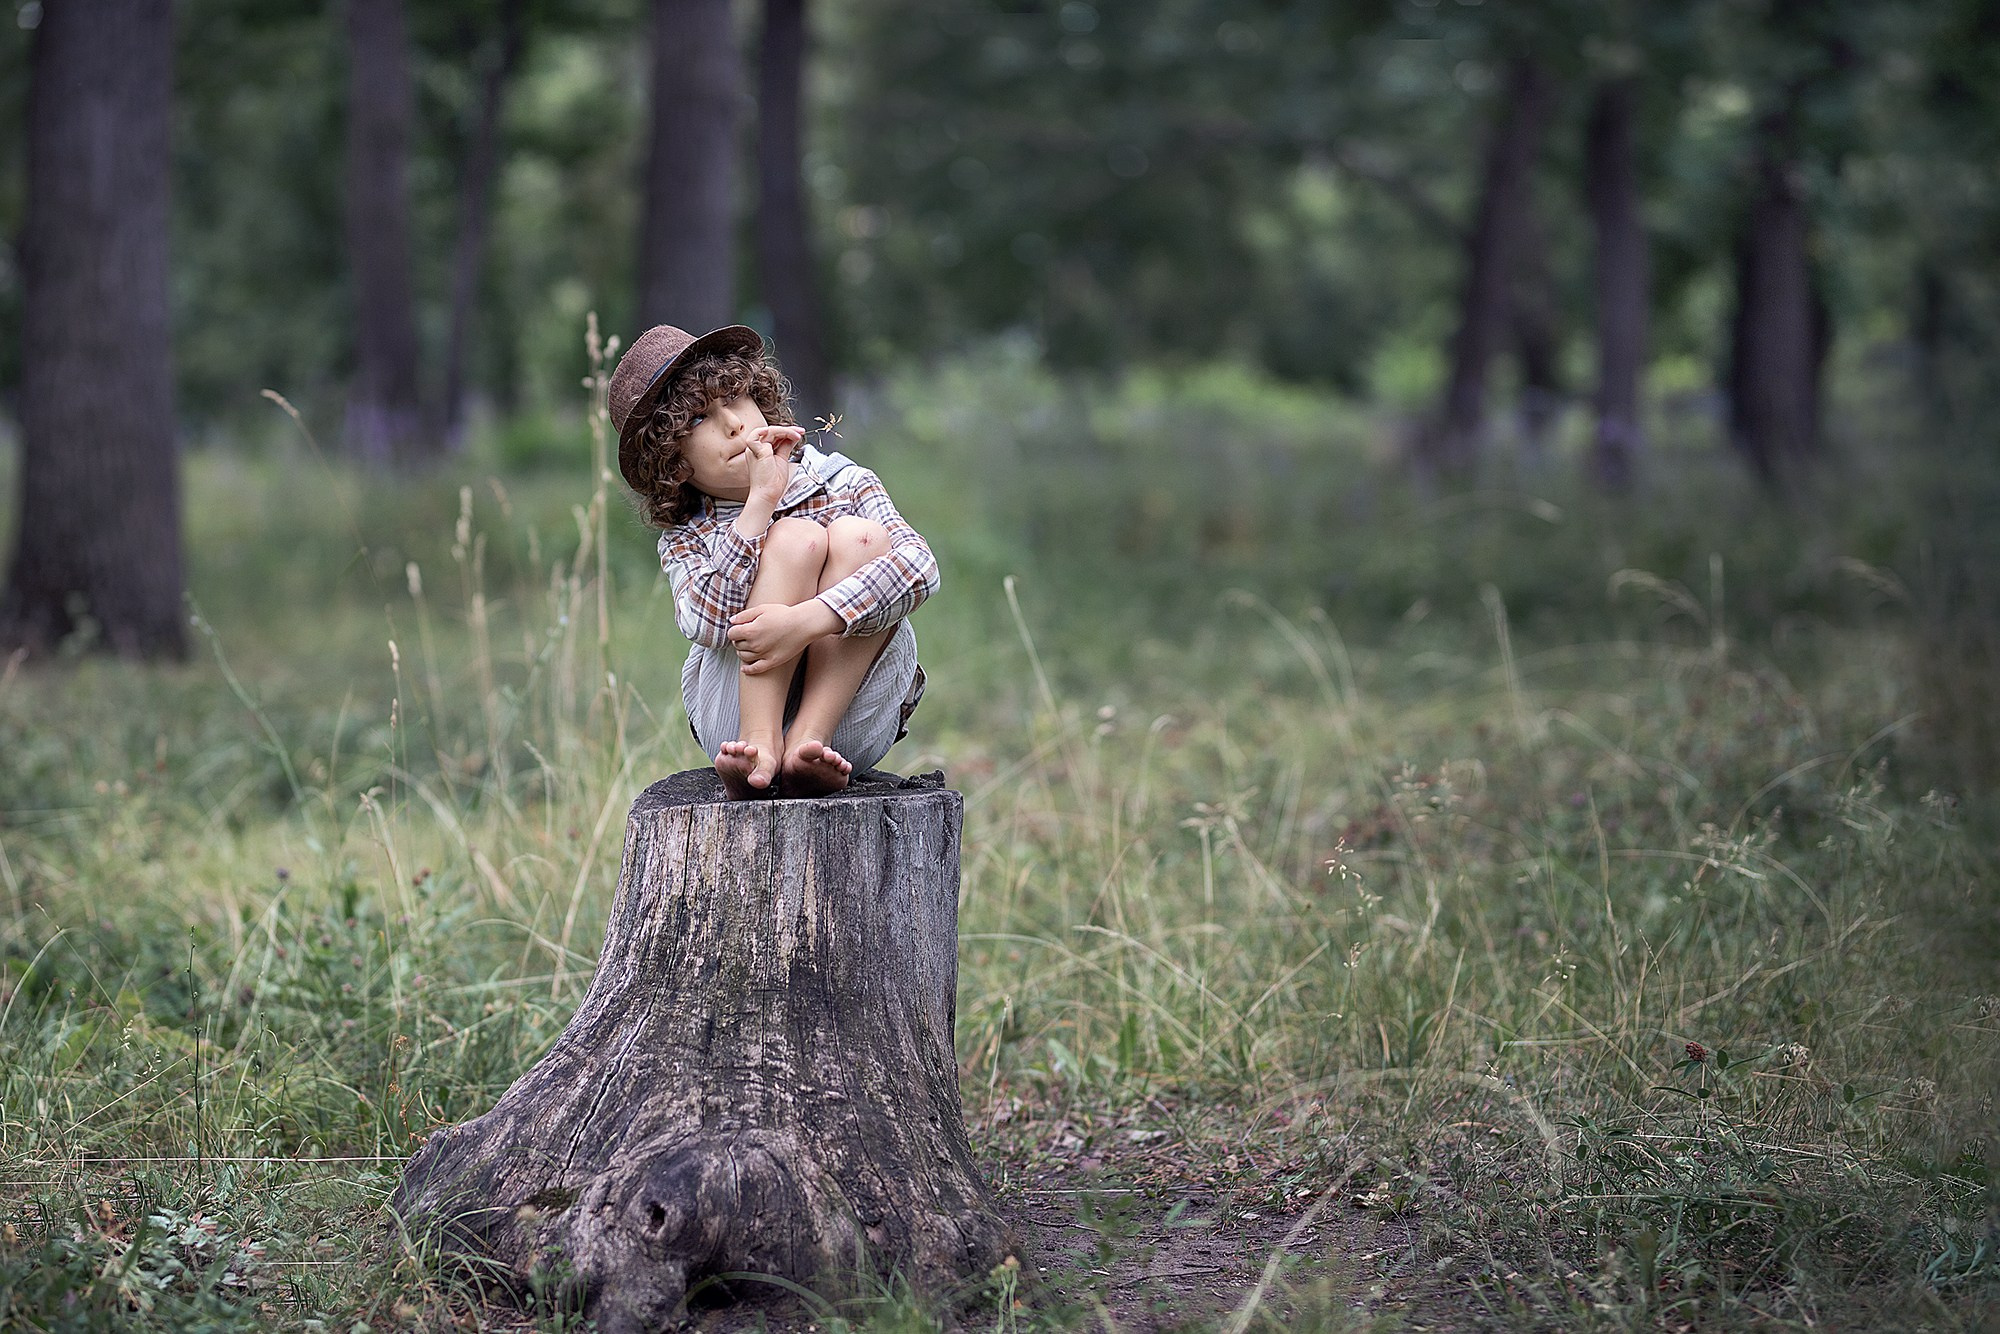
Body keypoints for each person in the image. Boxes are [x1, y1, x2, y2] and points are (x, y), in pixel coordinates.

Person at [607, 323, 937, 799]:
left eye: (736, 399)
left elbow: (921, 567)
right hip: (734, 728)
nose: (734, 424)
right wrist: (760, 503)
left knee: (863, 538)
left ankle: (808, 739)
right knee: (796, 539)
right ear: (672, 461)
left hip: (851, 720)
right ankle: (762, 739)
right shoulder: (687, 535)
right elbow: (705, 622)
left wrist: (805, 621)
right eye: (699, 419)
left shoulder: (842, 479)